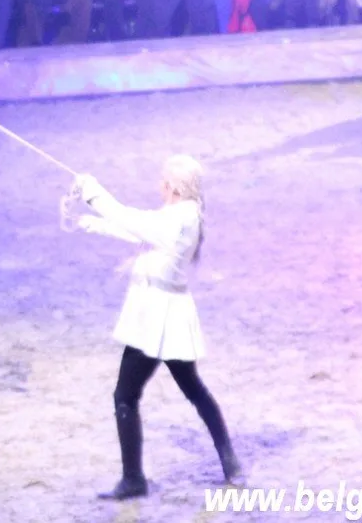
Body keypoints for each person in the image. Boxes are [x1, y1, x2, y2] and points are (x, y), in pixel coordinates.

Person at [68, 156, 242, 498]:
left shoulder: (179, 219)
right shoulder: (183, 214)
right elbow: (138, 228)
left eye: (163, 181)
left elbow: (136, 222)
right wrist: (95, 223)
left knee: (125, 395)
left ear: (175, 187)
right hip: (167, 316)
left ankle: (134, 479)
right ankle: (229, 462)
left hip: (155, 319)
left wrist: (94, 194)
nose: (159, 186)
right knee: (193, 389)